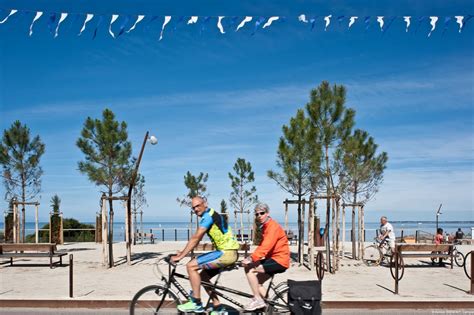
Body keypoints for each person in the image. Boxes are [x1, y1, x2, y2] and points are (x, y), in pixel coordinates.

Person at [171, 196, 240, 314]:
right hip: (229, 252)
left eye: (198, 205)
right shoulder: (212, 214)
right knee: (203, 277)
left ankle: (196, 303)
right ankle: (218, 308)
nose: (196, 209)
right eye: (193, 208)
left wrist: (180, 256)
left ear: (205, 204)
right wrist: (182, 252)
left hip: (226, 253)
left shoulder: (207, 216)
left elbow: (196, 238)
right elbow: (196, 240)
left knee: (190, 266)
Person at [241, 203, 290, 311]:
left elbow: (266, 246)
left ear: (267, 213)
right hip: (273, 258)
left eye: (262, 213)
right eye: (257, 214)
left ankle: (258, 300)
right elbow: (264, 248)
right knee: (257, 283)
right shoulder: (266, 227)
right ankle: (270, 308)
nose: (259, 216)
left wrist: (251, 259)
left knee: (250, 269)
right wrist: (254, 258)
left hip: (279, 260)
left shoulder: (272, 227)